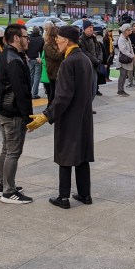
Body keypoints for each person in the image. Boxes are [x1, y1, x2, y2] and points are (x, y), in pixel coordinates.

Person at [27, 25, 94, 210]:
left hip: (69, 118)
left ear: (66, 41)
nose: (56, 42)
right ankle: (85, 194)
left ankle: (63, 197)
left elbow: (63, 97)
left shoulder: (68, 62)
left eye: (58, 40)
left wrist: (45, 116)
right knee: (82, 155)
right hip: (83, 117)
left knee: (66, 155)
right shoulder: (85, 59)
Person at [0, 24, 34, 204]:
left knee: (7, 149)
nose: (28, 40)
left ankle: (4, 185)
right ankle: (8, 192)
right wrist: (28, 117)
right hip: (12, 112)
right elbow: (21, 92)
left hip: (4, 110)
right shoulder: (14, 59)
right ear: (16, 38)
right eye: (25, 37)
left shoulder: (6, 55)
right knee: (13, 152)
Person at [79, 20, 103, 98]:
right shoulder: (81, 39)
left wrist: (99, 59)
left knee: (94, 88)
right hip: (87, 66)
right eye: (89, 27)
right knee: (87, 89)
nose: (91, 29)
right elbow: (84, 52)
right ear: (84, 29)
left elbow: (99, 49)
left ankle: (89, 104)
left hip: (95, 66)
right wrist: (96, 60)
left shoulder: (93, 38)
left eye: (92, 27)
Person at [43, 25, 62, 104]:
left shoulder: (55, 44)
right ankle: (49, 108)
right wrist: (62, 50)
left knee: (56, 93)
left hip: (57, 71)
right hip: (53, 72)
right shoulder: (48, 45)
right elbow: (55, 56)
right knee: (53, 93)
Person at [115, 23, 134, 96]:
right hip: (123, 59)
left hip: (127, 59)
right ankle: (120, 90)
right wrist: (131, 55)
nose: (130, 31)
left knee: (125, 75)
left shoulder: (127, 38)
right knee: (122, 75)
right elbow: (123, 50)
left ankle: (121, 89)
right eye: (128, 30)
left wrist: (132, 54)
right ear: (125, 31)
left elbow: (131, 47)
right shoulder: (121, 39)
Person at [26, 25, 44, 99]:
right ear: (39, 32)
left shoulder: (29, 39)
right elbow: (42, 50)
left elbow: (26, 48)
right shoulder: (41, 39)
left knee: (31, 75)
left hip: (30, 58)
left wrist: (27, 55)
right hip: (37, 58)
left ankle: (28, 92)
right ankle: (35, 93)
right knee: (37, 76)